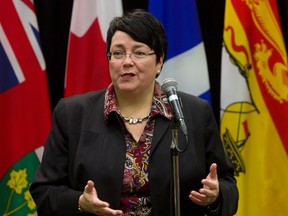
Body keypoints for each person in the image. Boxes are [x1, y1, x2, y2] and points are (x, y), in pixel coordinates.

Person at [30, 9, 238, 216]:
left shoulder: (193, 113)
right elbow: (44, 191)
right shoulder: (72, 114)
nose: (127, 61)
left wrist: (216, 195)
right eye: (118, 53)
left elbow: (227, 183)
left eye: (139, 52)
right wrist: (80, 203)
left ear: (159, 61)